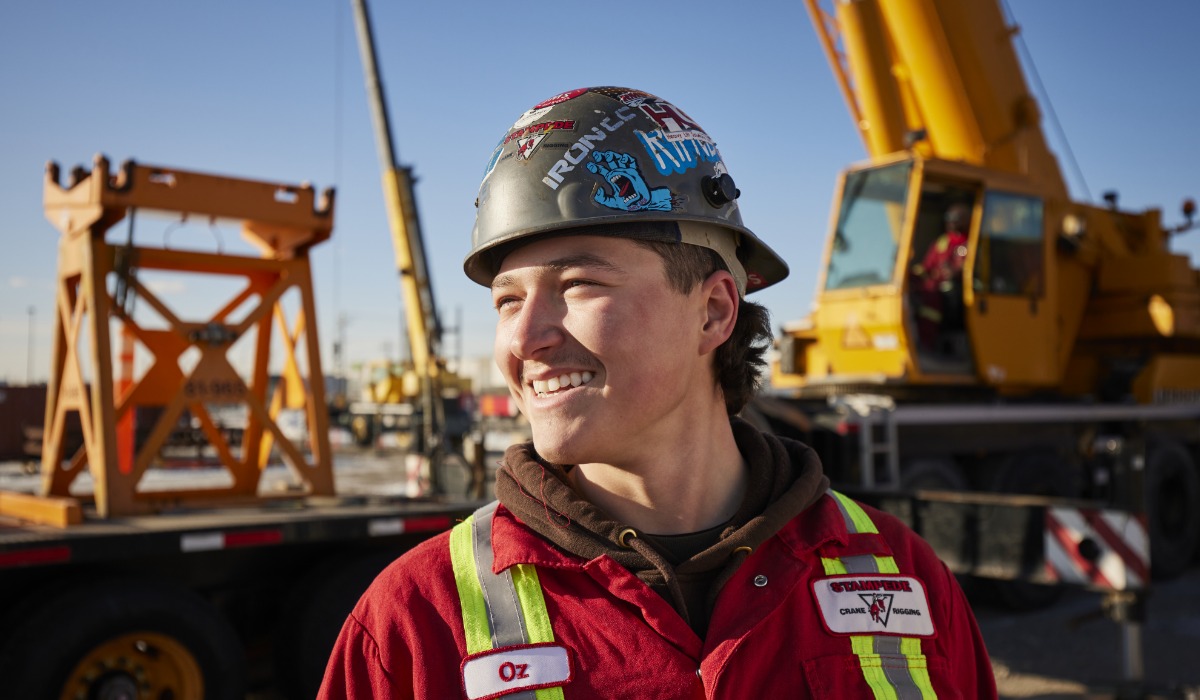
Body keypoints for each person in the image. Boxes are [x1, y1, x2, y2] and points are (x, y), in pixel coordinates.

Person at [319, 87, 996, 699]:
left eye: (581, 284)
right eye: (506, 301)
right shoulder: (413, 620)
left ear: (713, 312)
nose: (524, 339)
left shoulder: (901, 572)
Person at [912, 203, 971, 352]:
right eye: (948, 218)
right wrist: (913, 274)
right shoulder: (943, 241)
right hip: (936, 285)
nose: (951, 221)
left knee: (932, 300)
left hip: (957, 290)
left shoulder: (969, 243)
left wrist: (954, 272)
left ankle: (927, 344)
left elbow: (963, 267)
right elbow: (928, 265)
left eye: (955, 218)